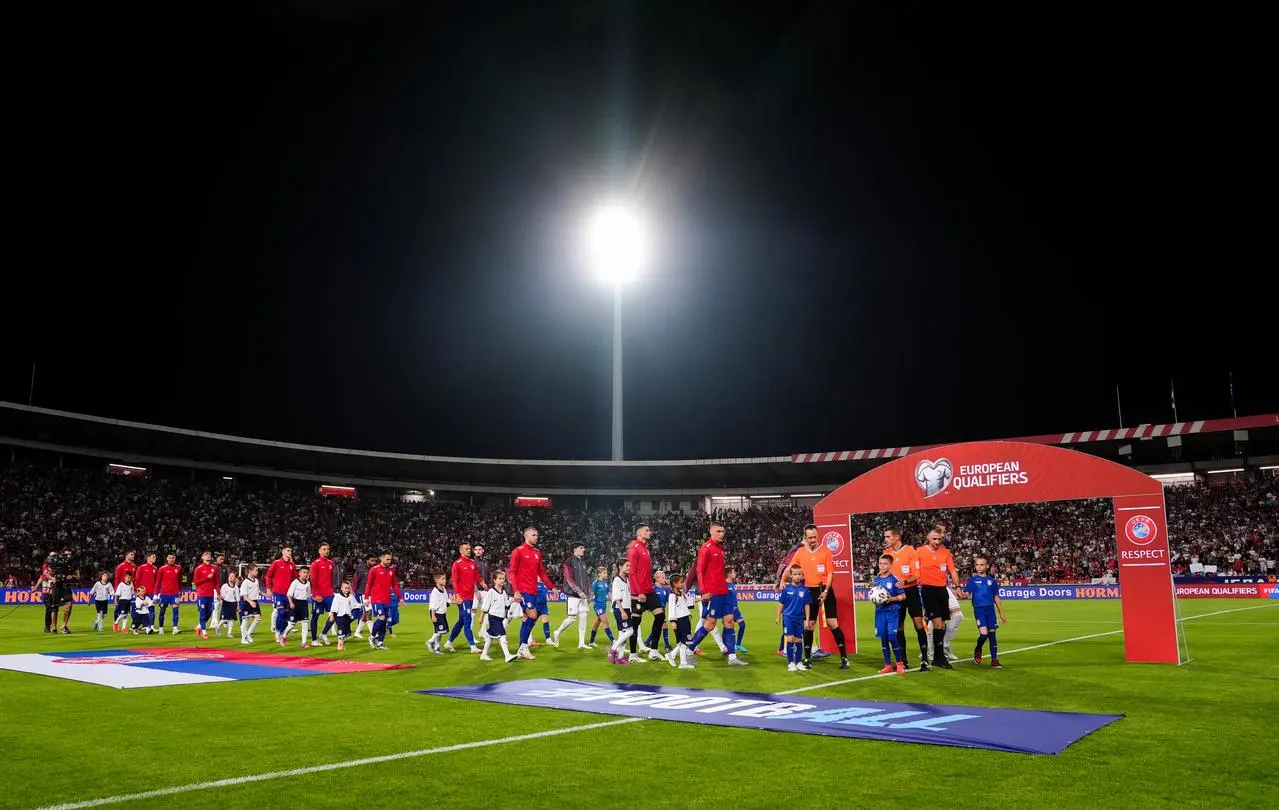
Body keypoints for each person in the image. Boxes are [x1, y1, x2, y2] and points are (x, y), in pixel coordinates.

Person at [685, 521, 747, 666]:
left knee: (729, 621)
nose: (721, 534)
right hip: (713, 593)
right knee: (710, 624)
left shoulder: (720, 548)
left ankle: (732, 658)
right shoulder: (705, 548)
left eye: (722, 531)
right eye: (718, 531)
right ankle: (689, 651)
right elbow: (699, 570)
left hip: (724, 591)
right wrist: (704, 590)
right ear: (711, 532)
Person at [791, 524, 849, 669]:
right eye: (809, 537)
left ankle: (844, 658)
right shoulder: (800, 552)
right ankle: (807, 659)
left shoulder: (825, 551)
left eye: (814, 537)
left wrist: (826, 591)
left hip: (825, 590)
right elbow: (791, 568)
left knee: (832, 623)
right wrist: (782, 582)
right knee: (809, 625)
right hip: (808, 592)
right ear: (805, 537)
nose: (812, 540)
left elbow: (830, 573)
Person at [508, 526, 557, 661]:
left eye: (537, 535)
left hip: (533, 590)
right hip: (523, 590)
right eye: (534, 535)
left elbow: (541, 572)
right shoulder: (518, 551)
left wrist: (551, 587)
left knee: (527, 618)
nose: (536, 537)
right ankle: (523, 647)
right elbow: (512, 572)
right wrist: (516, 591)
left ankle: (521, 648)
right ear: (526, 536)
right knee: (532, 615)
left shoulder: (537, 552)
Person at [917, 520, 960, 670]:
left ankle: (937, 657)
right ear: (928, 537)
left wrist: (958, 587)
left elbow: (952, 571)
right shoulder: (919, 552)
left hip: (942, 590)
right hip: (928, 590)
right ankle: (938, 656)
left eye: (939, 539)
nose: (937, 542)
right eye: (934, 539)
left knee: (941, 625)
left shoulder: (945, 553)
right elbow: (914, 570)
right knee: (936, 623)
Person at [883, 528, 925, 668]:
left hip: (910, 591)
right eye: (885, 537)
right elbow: (884, 573)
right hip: (895, 594)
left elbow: (916, 575)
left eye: (888, 536)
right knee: (899, 627)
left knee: (918, 623)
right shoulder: (886, 553)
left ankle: (924, 659)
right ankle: (903, 661)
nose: (886, 539)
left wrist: (905, 582)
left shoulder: (910, 551)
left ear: (897, 537)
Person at [625, 523, 665, 661]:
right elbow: (632, 572)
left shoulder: (646, 549)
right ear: (639, 532)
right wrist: (639, 591)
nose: (649, 532)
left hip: (649, 590)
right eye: (646, 530)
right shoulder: (634, 549)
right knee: (635, 623)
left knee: (660, 616)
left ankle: (653, 651)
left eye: (649, 530)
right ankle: (633, 655)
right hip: (638, 592)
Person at [965, 556, 1007, 668]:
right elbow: (967, 594)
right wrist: (962, 594)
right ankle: (978, 648)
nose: (979, 567)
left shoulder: (992, 581)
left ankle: (994, 660)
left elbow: (996, 597)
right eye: (977, 565)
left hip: (990, 610)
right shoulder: (973, 580)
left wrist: (1001, 613)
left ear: (987, 566)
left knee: (992, 635)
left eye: (981, 565)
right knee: (984, 635)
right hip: (979, 610)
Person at [872, 554, 908, 674]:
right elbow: (875, 593)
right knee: (884, 638)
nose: (882, 566)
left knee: (892, 637)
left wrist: (891, 599)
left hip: (892, 611)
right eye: (880, 563)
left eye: (885, 564)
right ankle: (887, 665)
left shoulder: (894, 579)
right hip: (880, 612)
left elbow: (903, 596)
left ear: (891, 565)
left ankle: (899, 663)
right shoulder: (877, 579)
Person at [553, 543, 592, 650]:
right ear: (575, 549)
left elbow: (587, 580)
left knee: (583, 617)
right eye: (581, 548)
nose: (583, 549)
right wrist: (579, 592)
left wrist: (588, 594)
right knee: (572, 618)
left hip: (583, 596)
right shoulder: (569, 561)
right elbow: (568, 578)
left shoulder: (583, 562)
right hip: (573, 594)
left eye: (583, 547)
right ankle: (557, 632)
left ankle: (581, 643)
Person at [776, 564, 812, 673]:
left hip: (799, 619)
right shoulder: (786, 589)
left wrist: (807, 620)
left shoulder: (804, 590)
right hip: (788, 618)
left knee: (799, 640)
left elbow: (807, 605)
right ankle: (791, 663)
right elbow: (781, 604)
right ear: (791, 575)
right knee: (790, 639)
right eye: (795, 574)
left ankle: (799, 662)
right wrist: (778, 617)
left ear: (802, 576)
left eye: (799, 574)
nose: (797, 576)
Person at [447, 544, 481, 653]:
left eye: (470, 549)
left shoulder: (472, 563)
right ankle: (473, 646)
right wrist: (457, 594)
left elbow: (476, 576)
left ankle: (449, 642)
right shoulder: (457, 564)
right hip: (462, 597)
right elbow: (454, 580)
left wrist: (482, 582)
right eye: (466, 549)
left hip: (470, 596)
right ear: (461, 551)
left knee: (461, 621)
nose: (469, 550)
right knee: (468, 620)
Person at [364, 552, 402, 650]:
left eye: (390, 560)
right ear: (381, 558)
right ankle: (372, 637)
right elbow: (368, 584)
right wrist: (366, 597)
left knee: (384, 622)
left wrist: (400, 598)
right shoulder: (374, 569)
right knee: (381, 618)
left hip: (387, 600)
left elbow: (395, 585)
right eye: (387, 559)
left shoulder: (392, 570)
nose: (389, 561)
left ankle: (380, 642)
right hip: (377, 599)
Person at [478, 571, 518, 663]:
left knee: (490, 637)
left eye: (503, 578)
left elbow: (507, 604)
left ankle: (484, 654)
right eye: (500, 578)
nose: (502, 580)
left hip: (500, 618)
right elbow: (485, 605)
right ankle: (507, 655)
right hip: (493, 618)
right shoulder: (491, 592)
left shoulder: (503, 592)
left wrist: (514, 600)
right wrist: (481, 616)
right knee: (502, 635)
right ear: (494, 580)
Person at [265, 547, 298, 645]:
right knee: (281, 612)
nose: (290, 552)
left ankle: (281, 632)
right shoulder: (276, 563)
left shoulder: (292, 565)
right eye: (288, 550)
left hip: (288, 594)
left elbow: (295, 579)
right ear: (283, 552)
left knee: (287, 615)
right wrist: (268, 588)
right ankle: (277, 632)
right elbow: (268, 576)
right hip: (278, 593)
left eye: (291, 551)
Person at [663, 574, 697, 669]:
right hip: (680, 620)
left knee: (685, 642)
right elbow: (671, 609)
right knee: (684, 642)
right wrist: (673, 621)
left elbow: (690, 602)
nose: (683, 584)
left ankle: (672, 656)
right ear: (675, 583)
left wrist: (702, 598)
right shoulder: (672, 595)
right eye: (681, 582)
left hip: (686, 619)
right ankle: (682, 663)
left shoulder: (682, 594)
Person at [607, 560, 636, 665]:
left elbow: (627, 595)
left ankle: (620, 657)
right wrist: (622, 611)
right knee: (630, 631)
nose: (629, 567)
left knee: (622, 633)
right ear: (620, 567)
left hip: (626, 608)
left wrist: (638, 598)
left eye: (630, 566)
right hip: (620, 608)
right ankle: (613, 649)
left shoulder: (626, 580)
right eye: (627, 565)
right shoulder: (617, 580)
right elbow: (617, 598)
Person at [309, 544, 336, 646]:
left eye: (328, 549)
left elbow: (331, 579)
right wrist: (315, 594)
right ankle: (314, 640)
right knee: (315, 617)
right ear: (319, 551)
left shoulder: (331, 563)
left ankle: (324, 633)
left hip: (329, 594)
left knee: (335, 614)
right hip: (318, 595)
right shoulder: (315, 564)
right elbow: (313, 580)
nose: (326, 551)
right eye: (324, 549)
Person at [645, 570, 674, 652]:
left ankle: (647, 642)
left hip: (663, 610)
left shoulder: (666, 590)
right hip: (657, 610)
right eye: (663, 577)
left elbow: (669, 600)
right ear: (657, 579)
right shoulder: (653, 589)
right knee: (664, 625)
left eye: (665, 577)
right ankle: (667, 646)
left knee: (658, 626)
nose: (665, 579)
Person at [193, 551, 219, 639]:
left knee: (210, 613)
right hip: (202, 595)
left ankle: (198, 627)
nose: (208, 556)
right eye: (206, 555)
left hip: (211, 595)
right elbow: (196, 582)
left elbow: (217, 582)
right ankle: (204, 632)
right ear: (202, 557)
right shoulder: (198, 568)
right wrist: (206, 578)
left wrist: (218, 593)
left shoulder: (215, 568)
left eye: (209, 555)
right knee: (203, 613)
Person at [155, 553, 183, 634]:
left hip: (174, 594)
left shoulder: (178, 568)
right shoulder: (162, 569)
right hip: (164, 594)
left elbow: (180, 581)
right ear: (167, 559)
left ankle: (175, 628)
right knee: (162, 611)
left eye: (173, 558)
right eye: (170, 558)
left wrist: (180, 590)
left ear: (175, 558)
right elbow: (158, 582)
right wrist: (155, 594)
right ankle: (161, 628)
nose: (171, 559)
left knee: (176, 610)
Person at [286, 568, 313, 648]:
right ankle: (284, 635)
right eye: (304, 572)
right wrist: (291, 603)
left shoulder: (308, 583)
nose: (306, 574)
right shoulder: (295, 582)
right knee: (291, 625)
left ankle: (303, 643)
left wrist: (315, 598)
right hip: (295, 603)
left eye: (307, 572)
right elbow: (289, 594)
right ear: (299, 573)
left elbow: (308, 594)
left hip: (304, 604)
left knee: (305, 623)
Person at [132, 552, 159, 632]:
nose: (155, 558)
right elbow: (136, 580)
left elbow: (156, 582)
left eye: (155, 557)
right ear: (148, 558)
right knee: (140, 611)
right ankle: (138, 626)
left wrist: (155, 593)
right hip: (142, 594)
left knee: (152, 610)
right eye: (153, 557)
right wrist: (138, 591)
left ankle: (151, 626)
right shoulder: (141, 567)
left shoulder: (155, 568)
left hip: (151, 593)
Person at [587, 566, 614, 647]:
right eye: (604, 573)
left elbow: (609, 594)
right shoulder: (595, 583)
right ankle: (614, 641)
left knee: (596, 623)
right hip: (598, 606)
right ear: (599, 574)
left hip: (604, 606)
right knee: (605, 622)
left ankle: (591, 641)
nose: (606, 574)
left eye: (606, 573)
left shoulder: (606, 583)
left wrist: (613, 602)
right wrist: (588, 602)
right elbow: (592, 594)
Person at [328, 582, 359, 651]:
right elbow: (333, 606)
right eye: (345, 588)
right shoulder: (337, 596)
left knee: (347, 633)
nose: (347, 589)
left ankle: (342, 640)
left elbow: (355, 605)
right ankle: (340, 644)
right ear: (341, 588)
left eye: (348, 588)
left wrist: (363, 604)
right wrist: (332, 615)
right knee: (340, 629)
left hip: (347, 616)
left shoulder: (351, 597)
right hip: (339, 616)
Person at [471, 543, 492, 638]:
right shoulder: (472, 562)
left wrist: (489, 587)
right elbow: (471, 578)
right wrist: (475, 591)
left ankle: (482, 631)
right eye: (476, 549)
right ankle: (471, 635)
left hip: (485, 591)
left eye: (480, 549)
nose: (478, 551)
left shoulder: (486, 562)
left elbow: (489, 576)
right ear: (474, 551)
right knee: (473, 612)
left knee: (488, 611)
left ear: (483, 551)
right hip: (475, 590)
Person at [427, 572, 451, 654]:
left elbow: (445, 603)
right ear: (437, 580)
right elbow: (432, 606)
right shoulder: (435, 592)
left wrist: (451, 600)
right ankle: (430, 641)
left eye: (445, 578)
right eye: (443, 579)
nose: (445, 580)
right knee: (441, 631)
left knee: (440, 631)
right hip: (436, 614)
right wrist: (433, 616)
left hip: (442, 613)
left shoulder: (443, 589)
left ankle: (437, 648)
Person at [239, 564, 262, 644]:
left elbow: (258, 591)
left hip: (254, 601)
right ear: (250, 571)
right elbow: (244, 596)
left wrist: (265, 594)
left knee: (258, 618)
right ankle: (243, 639)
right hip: (246, 602)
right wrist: (250, 602)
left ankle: (248, 633)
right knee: (245, 620)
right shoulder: (245, 582)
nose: (257, 572)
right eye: (256, 570)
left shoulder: (256, 581)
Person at [218, 572, 241, 638]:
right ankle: (218, 627)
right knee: (224, 619)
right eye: (230, 576)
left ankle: (229, 633)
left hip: (233, 604)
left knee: (232, 620)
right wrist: (220, 600)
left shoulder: (236, 587)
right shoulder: (224, 586)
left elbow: (237, 597)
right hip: (226, 603)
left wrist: (238, 606)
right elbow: (222, 596)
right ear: (228, 577)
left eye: (233, 576)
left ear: (235, 578)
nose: (231, 577)